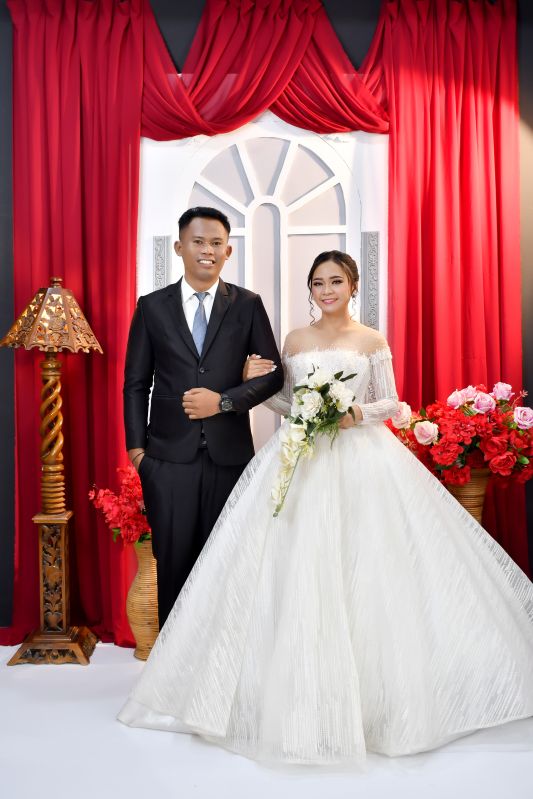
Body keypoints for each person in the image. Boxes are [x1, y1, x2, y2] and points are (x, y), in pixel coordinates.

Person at [119, 250, 533, 765]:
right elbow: (284, 400)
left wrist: (354, 411)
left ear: (353, 285)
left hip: (362, 459)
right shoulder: (295, 340)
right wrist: (264, 389)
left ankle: (376, 700)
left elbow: (393, 402)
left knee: (367, 566)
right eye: (318, 283)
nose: (327, 290)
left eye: (336, 281)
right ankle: (283, 691)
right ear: (311, 290)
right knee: (293, 564)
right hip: (300, 456)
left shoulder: (371, 340)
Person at [123, 206, 283, 628]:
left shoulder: (247, 305)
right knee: (174, 569)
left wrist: (224, 402)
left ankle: (222, 664)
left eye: (216, 243)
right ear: (180, 247)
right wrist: (138, 453)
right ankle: (173, 666)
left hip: (230, 458)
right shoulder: (151, 307)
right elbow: (136, 384)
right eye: (198, 241)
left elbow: (274, 376)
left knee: (228, 567)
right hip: (167, 461)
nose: (207, 250)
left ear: (228, 251)